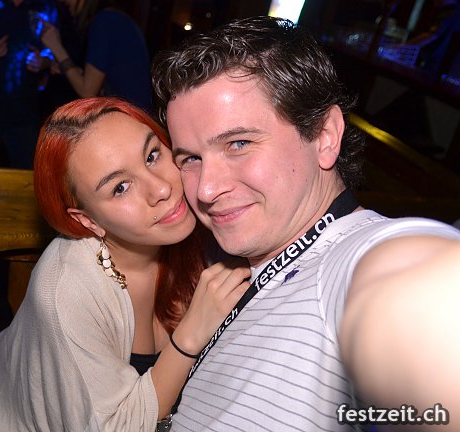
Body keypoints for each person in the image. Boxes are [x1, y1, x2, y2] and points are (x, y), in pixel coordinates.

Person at [151, 16, 460, 431]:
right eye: (190, 158)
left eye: (238, 143)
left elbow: (415, 289)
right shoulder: (233, 266)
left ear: (325, 136)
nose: (205, 189)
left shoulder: (355, 261)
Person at [0, 97, 250, 431]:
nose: (161, 188)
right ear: (88, 221)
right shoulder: (66, 292)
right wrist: (190, 335)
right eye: (120, 188)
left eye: (152, 155)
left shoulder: (200, 207)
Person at [0, 0, 56, 168]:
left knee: (29, 176)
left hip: (25, 114)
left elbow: (56, 50)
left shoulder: (45, 5)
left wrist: (44, 60)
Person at [39, 0, 153, 112]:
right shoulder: (111, 18)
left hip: (130, 117)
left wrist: (56, 47)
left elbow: (88, 91)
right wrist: (67, 69)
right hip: (132, 116)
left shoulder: (105, 21)